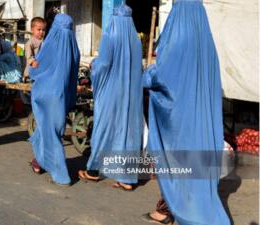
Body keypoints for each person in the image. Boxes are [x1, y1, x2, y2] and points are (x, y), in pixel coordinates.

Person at [140, 0, 230, 224]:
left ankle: (173, 209)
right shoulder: (207, 44)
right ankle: (170, 208)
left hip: (179, 118)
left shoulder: (178, 38)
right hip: (200, 118)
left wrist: (148, 76)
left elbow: (164, 77)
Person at [78, 5, 143, 191]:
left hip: (111, 92)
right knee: (128, 132)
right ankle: (128, 179)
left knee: (103, 128)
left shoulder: (110, 35)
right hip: (131, 93)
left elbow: (104, 64)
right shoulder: (135, 39)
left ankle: (93, 171)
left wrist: (93, 64)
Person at [29, 14, 80, 185]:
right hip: (62, 96)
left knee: (48, 132)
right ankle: (39, 161)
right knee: (51, 130)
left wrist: (33, 70)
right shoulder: (74, 47)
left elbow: (36, 70)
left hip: (46, 94)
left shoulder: (50, 45)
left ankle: (60, 174)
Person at [23, 17, 46, 82]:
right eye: (39, 30)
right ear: (32, 29)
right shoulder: (30, 42)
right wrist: (33, 62)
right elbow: (28, 55)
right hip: (31, 72)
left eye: (43, 30)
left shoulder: (44, 42)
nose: (41, 32)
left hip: (40, 71)